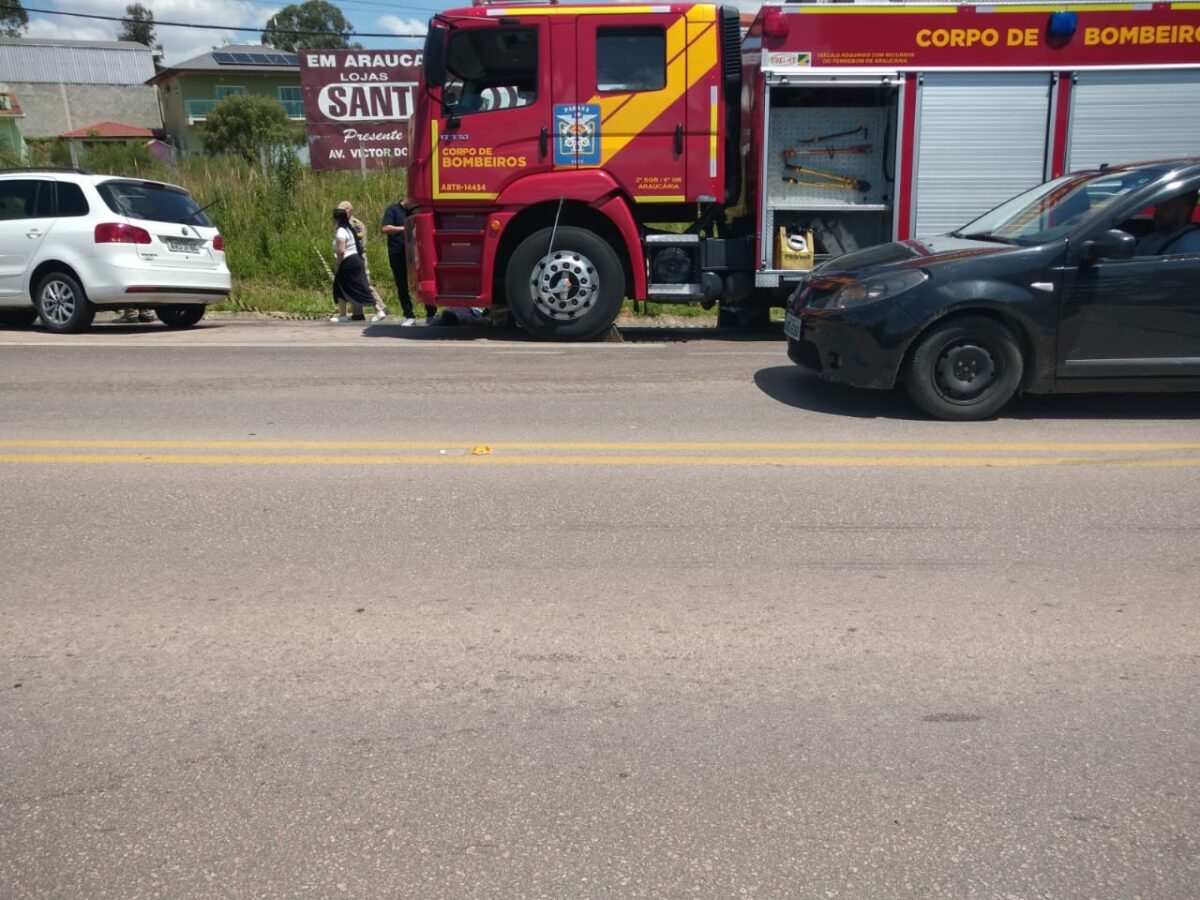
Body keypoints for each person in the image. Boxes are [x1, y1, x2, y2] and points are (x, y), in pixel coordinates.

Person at [381, 198, 436, 326]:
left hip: (415, 252)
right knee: (402, 284)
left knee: (423, 282)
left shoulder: (416, 211)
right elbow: (385, 228)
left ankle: (431, 314)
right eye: (414, 203)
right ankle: (409, 315)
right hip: (397, 252)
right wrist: (405, 228)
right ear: (407, 199)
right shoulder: (393, 210)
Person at [329, 207, 387, 323]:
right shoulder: (349, 229)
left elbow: (341, 250)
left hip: (348, 262)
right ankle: (344, 315)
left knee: (340, 286)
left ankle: (345, 315)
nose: (331, 219)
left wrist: (338, 263)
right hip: (355, 260)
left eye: (333, 217)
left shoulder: (341, 231)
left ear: (337, 218)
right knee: (352, 287)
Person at [1135, 189, 1200, 256]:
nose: (1157, 212)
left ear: (1185, 209)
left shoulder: (1193, 244)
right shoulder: (1149, 240)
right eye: (1157, 206)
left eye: (1165, 207)